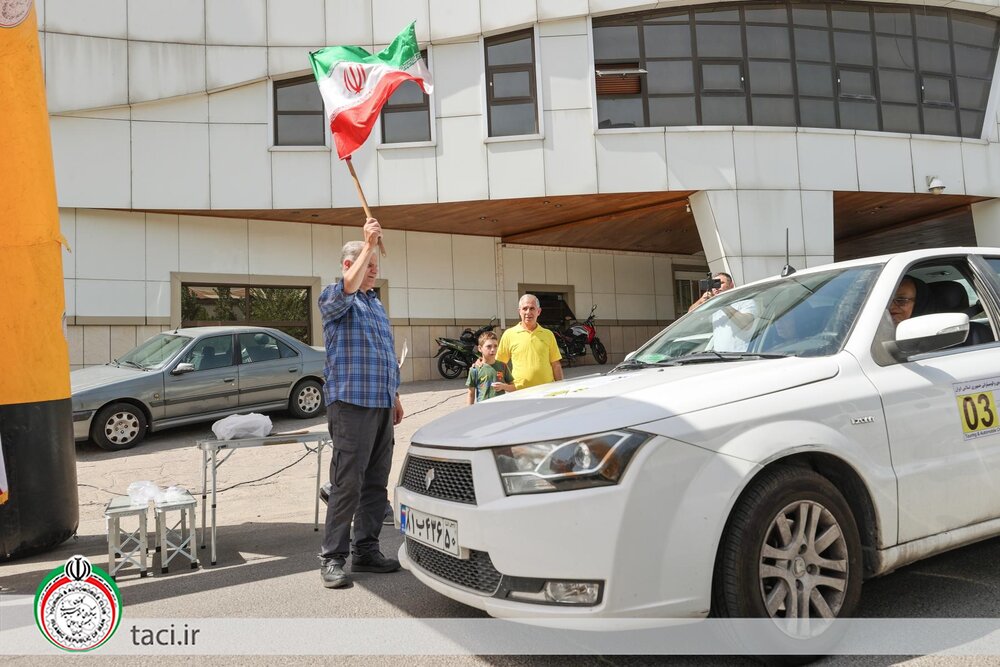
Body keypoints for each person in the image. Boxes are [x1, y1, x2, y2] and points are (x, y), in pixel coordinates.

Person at [317, 217, 404, 590]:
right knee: (347, 483)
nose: (373, 272)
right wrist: (368, 243)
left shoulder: (375, 304)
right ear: (348, 265)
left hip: (381, 403)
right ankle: (332, 558)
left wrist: (394, 395)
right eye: (368, 266)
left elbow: (383, 354)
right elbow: (347, 291)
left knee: (375, 483)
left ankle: (365, 550)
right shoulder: (335, 297)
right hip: (350, 404)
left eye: (375, 267)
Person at [496, 294, 563, 390]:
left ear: (538, 311)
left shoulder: (548, 335)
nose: (528, 312)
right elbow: (499, 364)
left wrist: (560, 386)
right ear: (519, 311)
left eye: (532, 308)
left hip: (547, 390)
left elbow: (556, 365)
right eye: (525, 308)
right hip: (519, 392)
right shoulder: (509, 334)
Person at [689, 272, 757, 352]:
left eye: (720, 283)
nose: (716, 287)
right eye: (713, 284)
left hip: (742, 356)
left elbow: (746, 324)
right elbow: (690, 314)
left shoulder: (745, 302)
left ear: (731, 285)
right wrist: (701, 301)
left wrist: (721, 303)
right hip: (720, 358)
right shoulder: (713, 307)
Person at [466, 331, 513, 404]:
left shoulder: (503, 366)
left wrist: (504, 386)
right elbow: (471, 394)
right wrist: (469, 412)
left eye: (495, 346)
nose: (493, 349)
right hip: (483, 409)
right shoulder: (475, 369)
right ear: (480, 348)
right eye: (489, 346)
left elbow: (514, 388)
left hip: (501, 408)